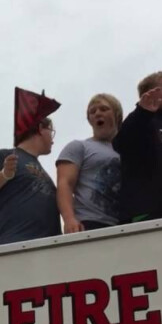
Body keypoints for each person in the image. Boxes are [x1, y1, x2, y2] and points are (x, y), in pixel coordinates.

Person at [0, 89, 60, 245]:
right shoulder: (4, 156)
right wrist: (4, 174)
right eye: (51, 131)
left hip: (49, 248)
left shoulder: (43, 171)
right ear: (41, 129)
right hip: (15, 245)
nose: (52, 138)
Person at [112, 71, 162, 229]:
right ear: (150, 94)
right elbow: (121, 143)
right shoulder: (143, 123)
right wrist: (142, 112)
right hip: (149, 217)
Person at [56, 94, 123, 232]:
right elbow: (65, 184)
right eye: (93, 111)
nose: (98, 113)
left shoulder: (128, 151)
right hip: (89, 223)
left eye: (104, 109)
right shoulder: (79, 147)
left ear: (116, 114)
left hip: (123, 224)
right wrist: (69, 219)